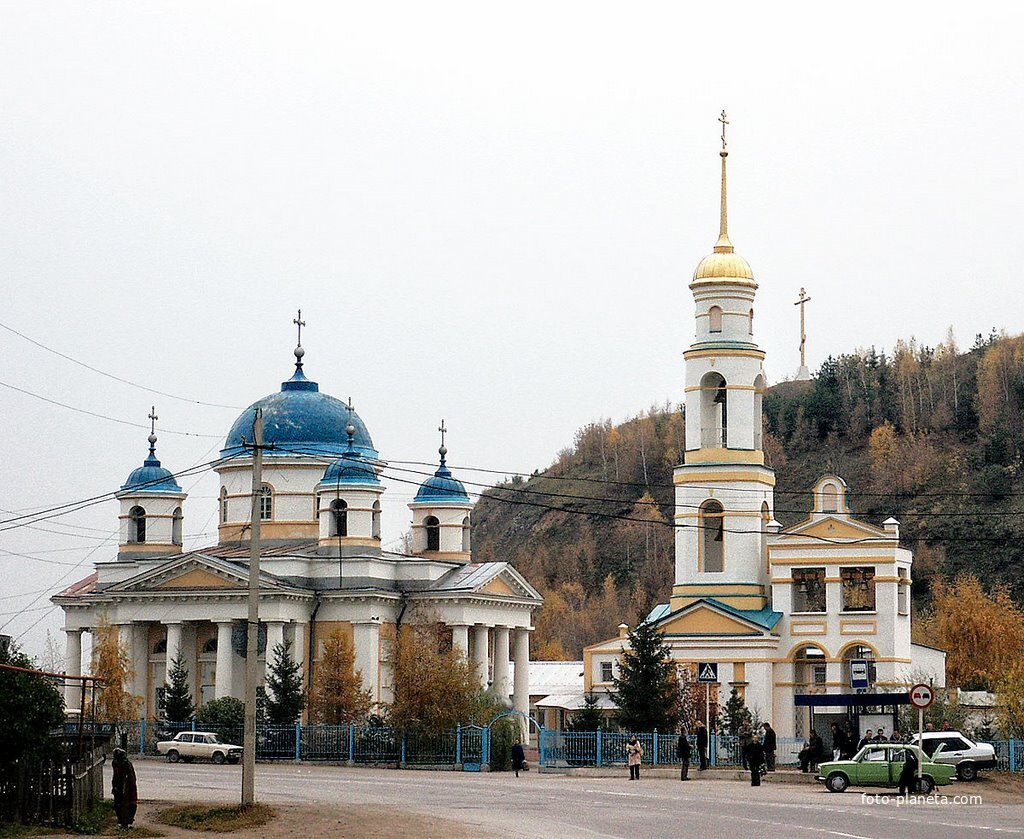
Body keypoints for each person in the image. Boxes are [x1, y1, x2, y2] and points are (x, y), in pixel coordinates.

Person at [111, 748, 138, 829]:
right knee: (118, 804)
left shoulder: (126, 764)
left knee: (130, 803)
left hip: (129, 787)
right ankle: (121, 821)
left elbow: (130, 777)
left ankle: (128, 821)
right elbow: (115, 776)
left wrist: (126, 788)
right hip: (118, 786)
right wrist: (115, 786)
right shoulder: (115, 763)